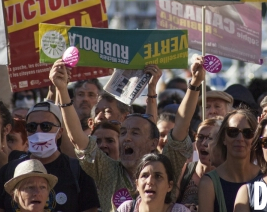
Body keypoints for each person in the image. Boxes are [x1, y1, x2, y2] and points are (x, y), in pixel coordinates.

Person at [51, 59, 197, 212]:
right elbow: (77, 139)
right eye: (123, 132)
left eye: (135, 133)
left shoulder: (166, 167)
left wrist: (194, 82)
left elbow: (181, 126)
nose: (126, 138)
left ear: (154, 144)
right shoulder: (108, 170)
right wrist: (62, 90)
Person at [0, 101, 100, 212]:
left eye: (46, 126)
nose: (38, 132)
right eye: (32, 127)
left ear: (60, 132)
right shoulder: (8, 170)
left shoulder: (79, 170)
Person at [197, 108, 261, 212]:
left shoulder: (266, 177)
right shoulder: (209, 183)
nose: (240, 138)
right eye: (233, 132)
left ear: (254, 138)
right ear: (223, 138)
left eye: (247, 133)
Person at [118, 154, 190, 212]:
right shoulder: (126, 209)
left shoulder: (180, 210)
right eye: (145, 176)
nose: (150, 181)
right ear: (137, 184)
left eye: (158, 176)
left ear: (169, 186)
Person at [177, 118, 222, 208]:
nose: (204, 143)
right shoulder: (183, 171)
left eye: (210, 138)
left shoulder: (228, 176)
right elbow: (168, 205)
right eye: (200, 137)